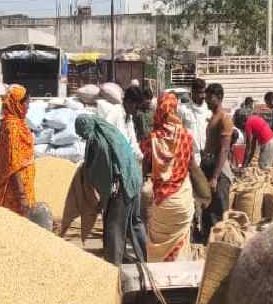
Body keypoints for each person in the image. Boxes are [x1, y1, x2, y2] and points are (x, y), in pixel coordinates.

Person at [74, 115, 147, 265]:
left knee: (114, 226)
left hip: (122, 185)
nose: (82, 137)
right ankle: (144, 257)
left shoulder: (99, 143)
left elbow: (106, 176)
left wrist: (103, 200)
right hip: (134, 179)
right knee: (134, 222)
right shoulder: (108, 132)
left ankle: (113, 265)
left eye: (82, 134)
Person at [140, 92, 195, 261]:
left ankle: (159, 281)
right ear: (175, 110)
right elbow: (191, 165)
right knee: (181, 244)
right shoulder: (186, 136)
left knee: (158, 246)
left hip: (163, 202)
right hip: (182, 200)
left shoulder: (152, 139)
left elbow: (144, 164)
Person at [0, 85, 36, 216]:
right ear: (18, 103)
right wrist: (22, 195)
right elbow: (14, 162)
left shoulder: (17, 122)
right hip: (16, 190)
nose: (28, 107)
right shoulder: (12, 127)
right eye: (27, 103)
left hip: (22, 185)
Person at [198, 83, 234, 243]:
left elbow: (224, 150)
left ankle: (220, 245)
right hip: (208, 165)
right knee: (207, 207)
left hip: (218, 170)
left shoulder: (224, 119)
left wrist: (215, 177)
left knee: (218, 209)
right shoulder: (213, 117)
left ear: (219, 98)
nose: (206, 100)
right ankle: (208, 242)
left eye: (209, 97)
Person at [178, 78, 210, 163]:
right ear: (193, 92)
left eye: (204, 92)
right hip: (190, 156)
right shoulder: (183, 110)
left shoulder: (209, 109)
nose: (203, 96)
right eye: (200, 93)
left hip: (207, 155)